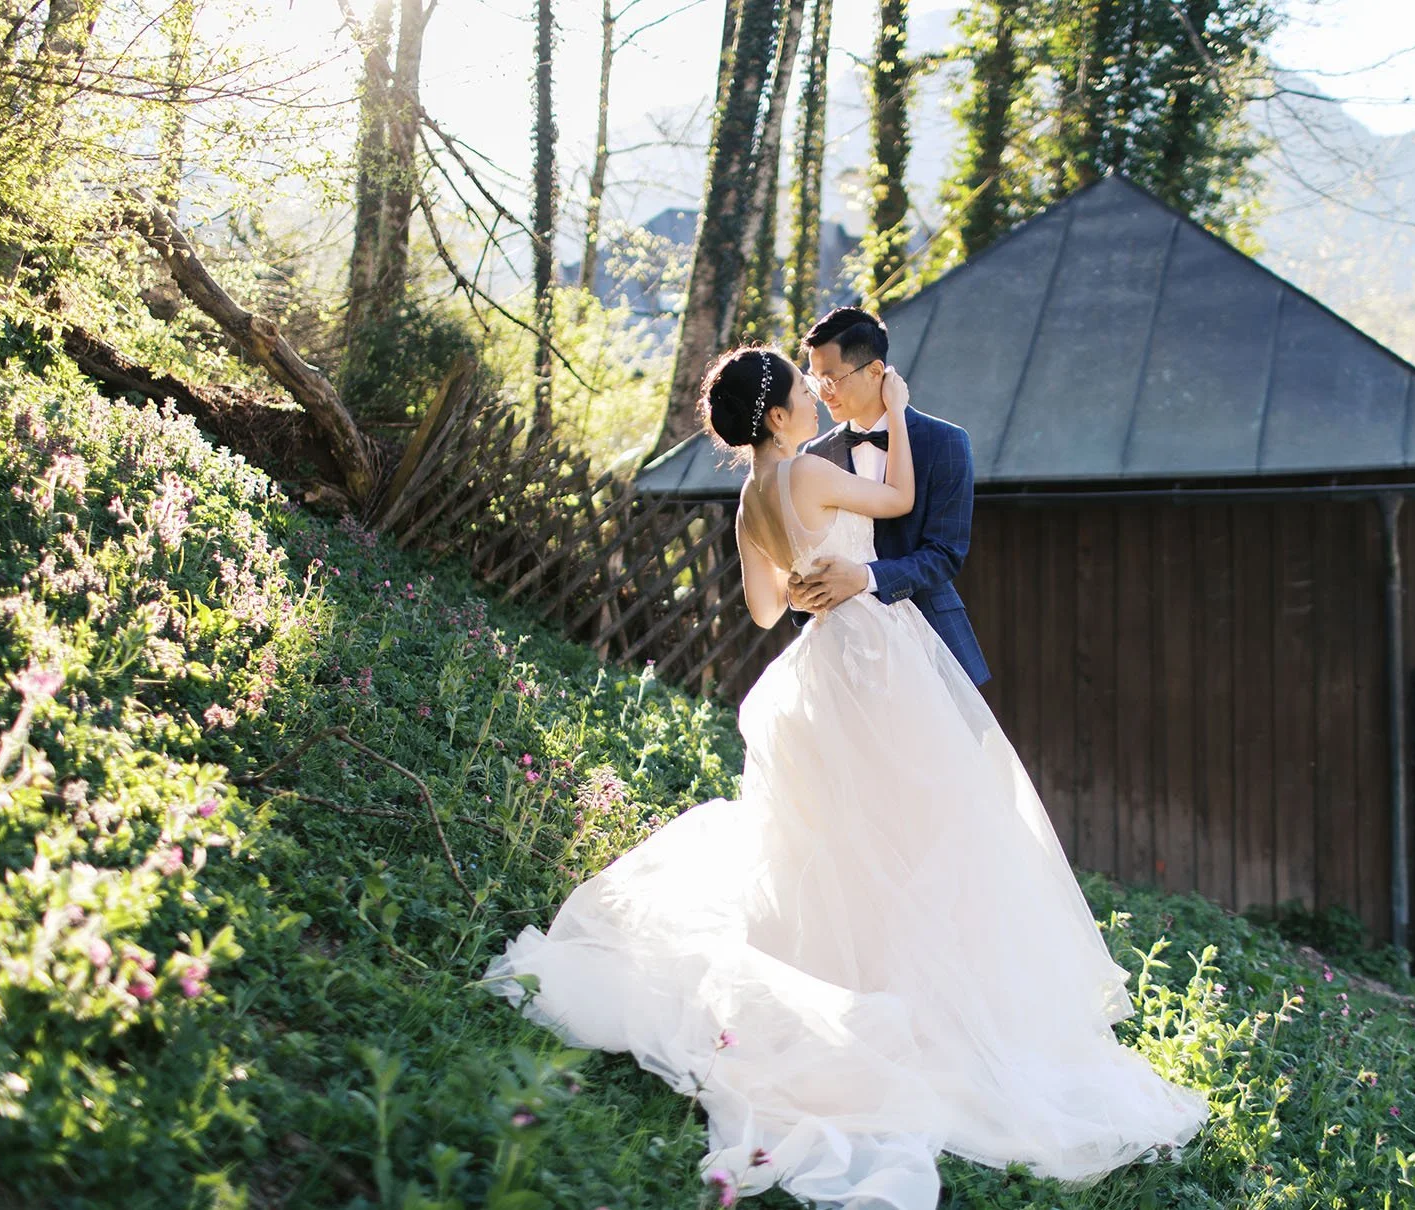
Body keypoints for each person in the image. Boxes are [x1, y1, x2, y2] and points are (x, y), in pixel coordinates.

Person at [485, 346, 1207, 1210]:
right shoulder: (811, 478)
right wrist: (897, 408)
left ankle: (861, 978)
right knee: (925, 822)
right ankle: (926, 1000)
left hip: (816, 664)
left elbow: (762, 610)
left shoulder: (752, 499)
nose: (815, 399)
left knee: (841, 836)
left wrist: (804, 583)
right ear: (783, 417)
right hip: (872, 657)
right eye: (803, 390)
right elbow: (900, 499)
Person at [788, 308, 990, 687]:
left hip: (932, 646)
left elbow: (946, 553)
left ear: (875, 371)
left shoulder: (944, 441)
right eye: (816, 382)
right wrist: (800, 594)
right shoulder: (813, 456)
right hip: (845, 655)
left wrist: (865, 577)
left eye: (832, 379)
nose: (823, 393)